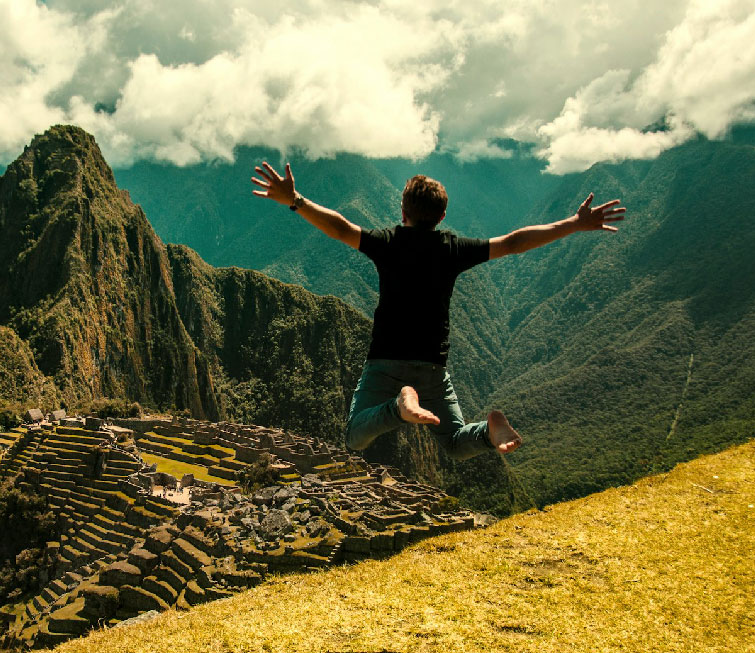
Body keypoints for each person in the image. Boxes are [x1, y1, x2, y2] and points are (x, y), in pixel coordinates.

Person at [250, 163, 624, 461]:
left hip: (386, 362)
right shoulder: (453, 249)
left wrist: (295, 199)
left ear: (403, 211)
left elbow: (340, 228)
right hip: (432, 368)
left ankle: (398, 407)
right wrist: (575, 223)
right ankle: (488, 429)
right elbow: (514, 243)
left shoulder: (387, 243)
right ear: (442, 216)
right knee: (456, 443)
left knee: (354, 436)